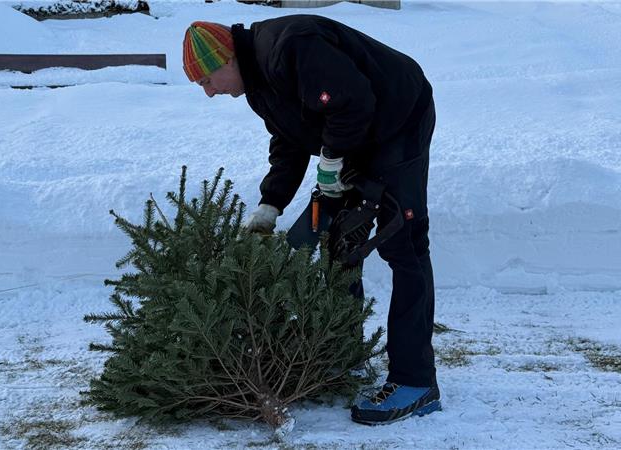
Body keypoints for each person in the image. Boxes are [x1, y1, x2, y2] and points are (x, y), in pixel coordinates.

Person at [182, 16, 439, 425]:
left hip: (397, 117)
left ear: (226, 57)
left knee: (403, 243)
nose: (210, 93)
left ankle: (415, 381)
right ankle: (343, 354)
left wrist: (333, 160)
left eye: (207, 81)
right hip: (356, 130)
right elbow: (290, 138)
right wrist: (271, 205)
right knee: (341, 240)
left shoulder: (291, 47)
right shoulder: (258, 82)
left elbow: (353, 101)